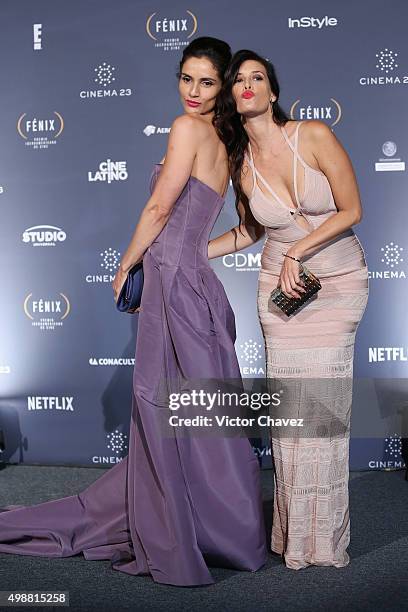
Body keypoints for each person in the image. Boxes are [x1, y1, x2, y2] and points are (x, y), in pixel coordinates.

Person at [0, 38, 267, 586]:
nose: (193, 93)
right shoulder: (231, 142)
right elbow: (251, 228)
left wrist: (126, 265)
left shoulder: (187, 129)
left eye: (207, 82)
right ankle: (225, 529)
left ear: (224, 85)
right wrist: (196, 254)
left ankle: (175, 526)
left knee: (165, 409)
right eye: (186, 79)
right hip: (197, 285)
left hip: (171, 287)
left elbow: (158, 206)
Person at [208, 49, 369, 570]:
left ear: (273, 91)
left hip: (337, 286)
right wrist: (193, 249)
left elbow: (352, 209)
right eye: (240, 80)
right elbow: (253, 231)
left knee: (325, 416)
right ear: (232, 96)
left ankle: (326, 539)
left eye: (259, 77)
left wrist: (297, 251)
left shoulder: (314, 135)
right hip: (282, 302)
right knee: (295, 421)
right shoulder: (239, 162)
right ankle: (295, 539)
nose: (249, 85)